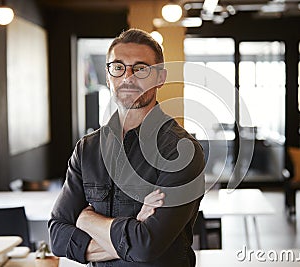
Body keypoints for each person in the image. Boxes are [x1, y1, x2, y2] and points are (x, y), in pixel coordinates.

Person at [48, 28, 205, 267]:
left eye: (141, 68)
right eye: (118, 67)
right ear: (108, 75)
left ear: (160, 78)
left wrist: (85, 219)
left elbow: (147, 245)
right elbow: (58, 238)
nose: (128, 77)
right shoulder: (87, 149)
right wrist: (132, 233)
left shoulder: (182, 151)